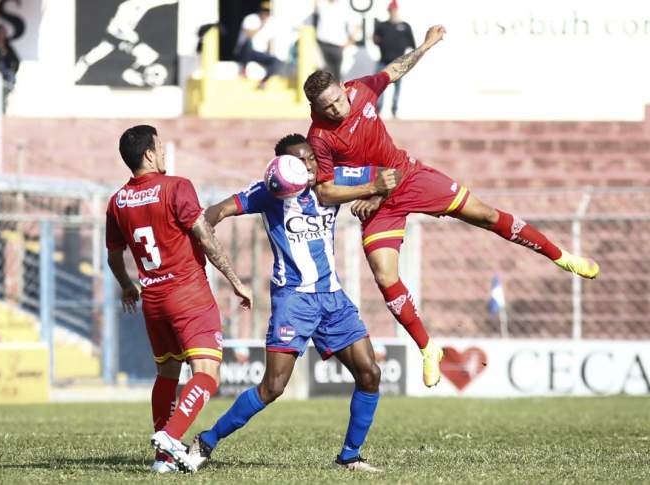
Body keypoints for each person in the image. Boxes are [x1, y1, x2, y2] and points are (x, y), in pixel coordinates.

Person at [303, 25, 600, 388]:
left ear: (343, 88)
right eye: (326, 107)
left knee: (487, 215)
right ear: (314, 109)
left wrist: (426, 44)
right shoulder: (318, 136)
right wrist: (371, 189)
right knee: (384, 277)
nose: (336, 108)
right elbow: (325, 192)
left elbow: (395, 69)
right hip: (378, 200)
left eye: (337, 100)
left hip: (410, 176)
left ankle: (560, 256)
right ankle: (429, 349)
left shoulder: (362, 90)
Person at [186, 134, 398, 473]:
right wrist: (196, 239)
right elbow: (220, 210)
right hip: (294, 300)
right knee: (273, 387)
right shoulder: (270, 191)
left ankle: (349, 457)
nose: (310, 166)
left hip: (332, 297)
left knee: (370, 373)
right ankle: (206, 442)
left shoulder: (335, 180)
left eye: (312, 158)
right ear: (284, 166)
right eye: (301, 162)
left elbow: (392, 173)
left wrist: (374, 195)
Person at [105, 125, 252, 473]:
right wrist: (235, 279)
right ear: (149, 155)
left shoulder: (117, 201)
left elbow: (113, 255)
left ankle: (162, 460)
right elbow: (204, 236)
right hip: (189, 295)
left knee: (168, 374)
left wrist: (127, 284)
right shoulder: (177, 187)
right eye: (160, 147)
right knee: (207, 374)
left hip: (153, 301)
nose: (165, 153)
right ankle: (171, 437)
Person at [73, 0, 176, 87]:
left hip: (122, 41)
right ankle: (72, 77)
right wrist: (130, 36)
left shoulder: (141, 5)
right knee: (88, 59)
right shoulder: (126, 7)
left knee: (149, 55)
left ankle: (141, 73)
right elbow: (118, 25)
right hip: (114, 39)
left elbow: (153, 2)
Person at [373, 0, 415, 117]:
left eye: (394, 10)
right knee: (379, 88)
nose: (393, 13)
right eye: (391, 10)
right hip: (384, 62)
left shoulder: (405, 27)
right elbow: (375, 39)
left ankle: (394, 110)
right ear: (388, 11)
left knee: (397, 88)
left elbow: (412, 45)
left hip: (399, 64)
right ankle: (378, 110)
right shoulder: (382, 26)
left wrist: (408, 61)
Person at [234, 1, 281, 89]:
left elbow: (270, 41)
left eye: (268, 12)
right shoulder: (250, 18)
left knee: (276, 61)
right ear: (260, 10)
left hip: (257, 53)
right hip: (244, 51)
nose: (266, 14)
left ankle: (264, 81)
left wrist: (269, 55)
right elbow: (248, 35)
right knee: (248, 42)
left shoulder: (272, 22)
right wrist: (261, 26)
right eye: (264, 11)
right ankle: (244, 69)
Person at [314, 0, 353, 82]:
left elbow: (355, 24)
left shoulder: (343, 7)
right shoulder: (322, 4)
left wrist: (350, 40)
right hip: (322, 45)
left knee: (337, 75)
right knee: (323, 75)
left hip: (337, 47)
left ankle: (337, 93)